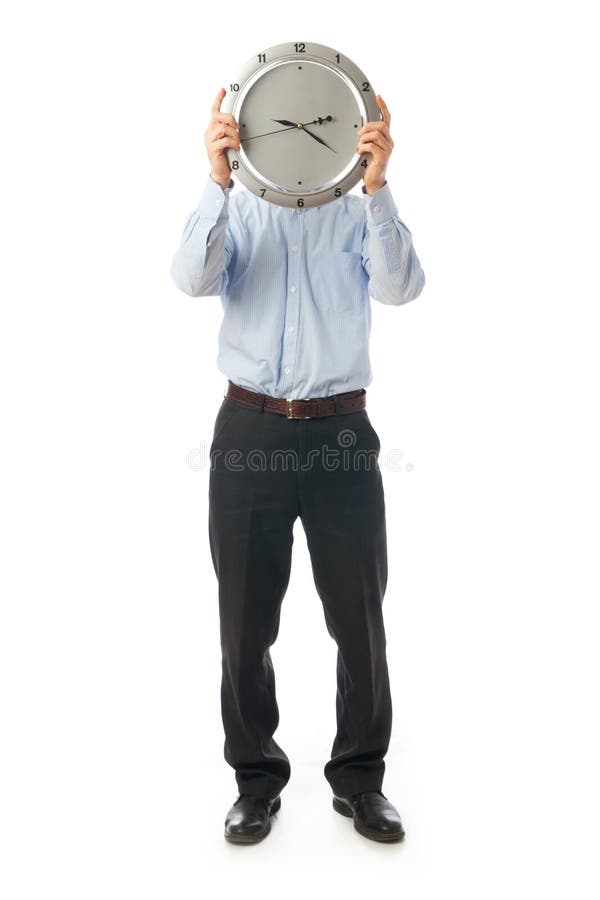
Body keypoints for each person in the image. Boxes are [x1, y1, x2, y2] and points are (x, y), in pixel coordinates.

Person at [170, 86, 425, 844]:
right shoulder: (239, 209)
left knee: (360, 618)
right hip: (248, 426)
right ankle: (255, 779)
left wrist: (378, 189)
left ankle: (359, 780)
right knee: (245, 620)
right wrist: (215, 181)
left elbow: (402, 288)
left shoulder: (356, 211)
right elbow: (190, 278)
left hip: (342, 431)